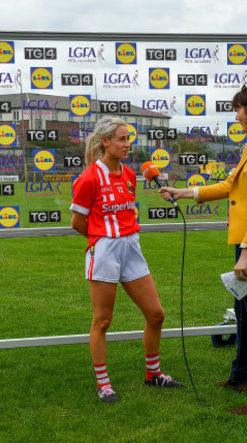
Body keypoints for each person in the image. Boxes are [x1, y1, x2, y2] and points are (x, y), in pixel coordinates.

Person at [159, 81, 247, 415]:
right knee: (243, 315)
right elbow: (231, 185)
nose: (235, 115)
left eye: (238, 108)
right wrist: (185, 193)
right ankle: (239, 378)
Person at [70, 116, 183, 403]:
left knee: (156, 314)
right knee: (103, 321)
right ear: (104, 141)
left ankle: (153, 374)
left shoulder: (131, 175)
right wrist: (101, 239)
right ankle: (104, 384)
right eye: (121, 139)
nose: (127, 144)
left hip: (131, 247)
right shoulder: (89, 178)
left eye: (128, 139)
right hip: (105, 250)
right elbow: (77, 222)